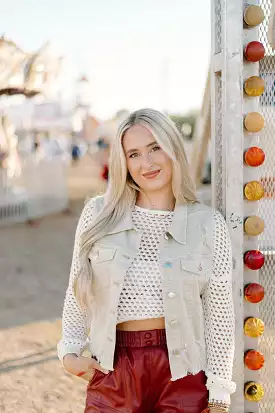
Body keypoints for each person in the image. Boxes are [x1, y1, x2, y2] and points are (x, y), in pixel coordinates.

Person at [57, 108, 236, 413]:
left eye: (155, 148)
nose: (147, 163)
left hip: (183, 371)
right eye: (134, 154)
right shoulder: (98, 214)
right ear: (123, 162)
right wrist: (69, 352)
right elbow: (79, 288)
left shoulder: (208, 224)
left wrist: (218, 394)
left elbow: (219, 314)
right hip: (114, 366)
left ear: (173, 149)